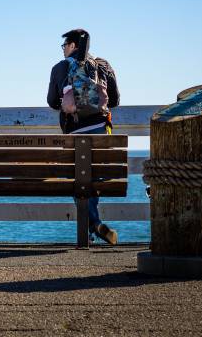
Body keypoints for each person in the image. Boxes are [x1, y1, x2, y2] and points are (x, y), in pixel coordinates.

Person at [46, 28, 120, 245]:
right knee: (93, 178)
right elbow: (114, 100)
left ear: (73, 46)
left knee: (78, 179)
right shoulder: (103, 65)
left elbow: (52, 101)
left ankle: (91, 226)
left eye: (64, 46)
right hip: (101, 133)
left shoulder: (60, 68)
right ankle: (94, 225)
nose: (63, 50)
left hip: (75, 132)